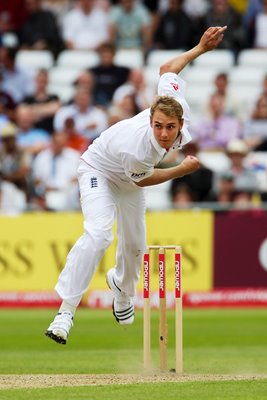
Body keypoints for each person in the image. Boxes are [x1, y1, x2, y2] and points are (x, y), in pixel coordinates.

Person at [45, 25, 227, 344]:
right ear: (150, 119)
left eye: (170, 128)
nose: (164, 134)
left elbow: (167, 69)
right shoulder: (139, 147)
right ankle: (66, 311)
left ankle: (122, 289)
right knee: (100, 234)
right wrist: (179, 169)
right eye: (157, 126)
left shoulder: (173, 103)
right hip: (99, 169)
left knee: (135, 246)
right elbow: (146, 179)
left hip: (129, 179)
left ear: (181, 122)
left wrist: (200, 48)